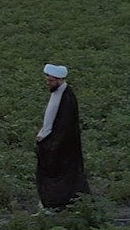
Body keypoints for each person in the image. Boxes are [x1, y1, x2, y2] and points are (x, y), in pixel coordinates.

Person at [35, 63, 90, 210]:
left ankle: (59, 204)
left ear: (59, 80)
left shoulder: (67, 97)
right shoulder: (58, 93)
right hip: (56, 143)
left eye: (51, 81)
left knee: (62, 176)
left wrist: (51, 144)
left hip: (63, 147)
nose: (49, 83)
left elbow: (65, 126)